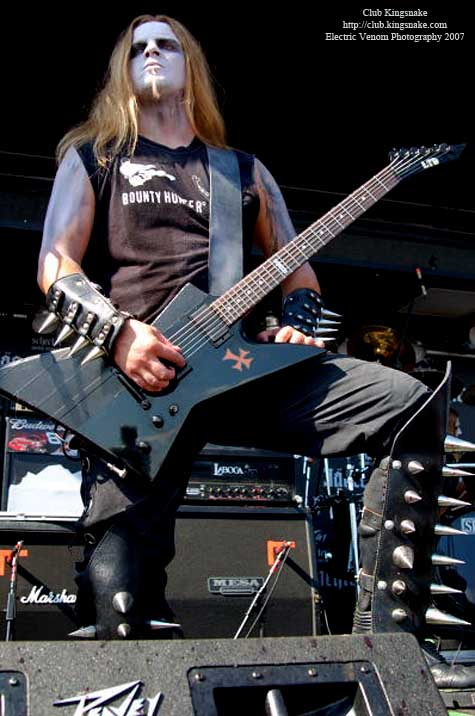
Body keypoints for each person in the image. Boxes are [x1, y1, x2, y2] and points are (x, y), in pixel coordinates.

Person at [35, 13, 475, 688]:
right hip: (138, 381)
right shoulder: (96, 155)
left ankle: (395, 645)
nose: (150, 53)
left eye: (166, 44)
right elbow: (56, 262)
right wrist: (120, 333)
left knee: (407, 406)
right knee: (121, 601)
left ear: (191, 65)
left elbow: (298, 272)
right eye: (137, 47)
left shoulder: (239, 170)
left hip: (238, 367)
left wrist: (297, 323)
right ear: (121, 70)